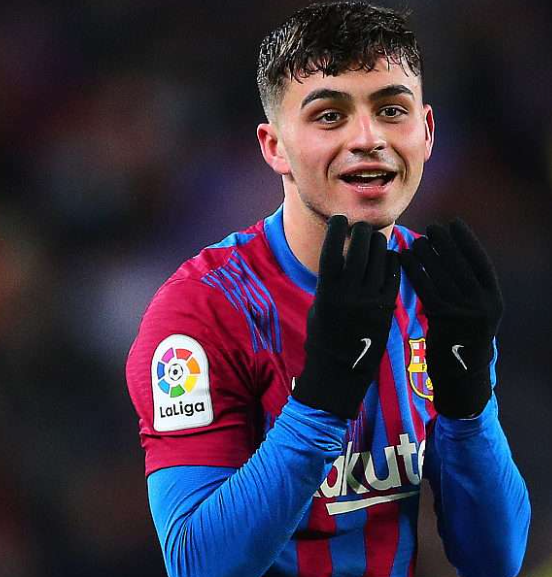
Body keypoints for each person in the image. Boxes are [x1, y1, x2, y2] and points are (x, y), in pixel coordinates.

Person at [126, 2, 531, 576]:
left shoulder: (440, 290)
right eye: (330, 115)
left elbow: (495, 560)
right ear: (274, 147)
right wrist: (321, 402)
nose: (368, 138)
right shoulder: (202, 311)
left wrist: (470, 408)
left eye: (391, 110)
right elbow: (197, 564)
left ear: (427, 132)